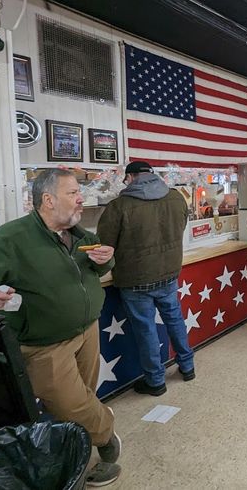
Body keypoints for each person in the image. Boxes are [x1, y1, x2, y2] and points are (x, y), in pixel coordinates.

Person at [0, 168, 121, 486]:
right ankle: (107, 438)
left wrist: (104, 259)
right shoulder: (9, 239)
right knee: (73, 405)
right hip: (44, 345)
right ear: (48, 200)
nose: (81, 197)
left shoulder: (79, 233)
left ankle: (77, 442)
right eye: (72, 193)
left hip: (88, 329)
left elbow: (100, 263)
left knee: (83, 398)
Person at [97, 161, 194, 397]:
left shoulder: (119, 206)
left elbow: (104, 245)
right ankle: (187, 366)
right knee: (175, 319)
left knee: (146, 329)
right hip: (169, 273)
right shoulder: (176, 197)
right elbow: (181, 226)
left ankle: (156, 381)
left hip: (135, 279)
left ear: (130, 178)